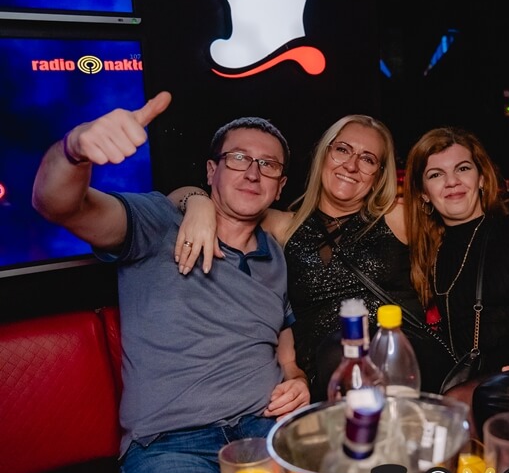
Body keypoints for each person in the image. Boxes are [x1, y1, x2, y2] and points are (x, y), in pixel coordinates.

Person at [31, 91, 310, 473]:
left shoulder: (276, 255)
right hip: (172, 443)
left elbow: (283, 342)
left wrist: (296, 377)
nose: (253, 173)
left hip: (264, 429)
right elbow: (57, 204)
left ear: (279, 187)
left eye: (268, 165)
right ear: (212, 171)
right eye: (238, 158)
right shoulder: (159, 222)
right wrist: (74, 149)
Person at [175, 115, 454, 399]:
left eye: (368, 159)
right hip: (327, 378)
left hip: (402, 360)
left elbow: (466, 225)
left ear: (379, 176)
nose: (352, 165)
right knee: (340, 353)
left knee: (353, 351)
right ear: (324, 155)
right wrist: (198, 204)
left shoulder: (397, 217)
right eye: (342, 150)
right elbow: (188, 198)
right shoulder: (284, 226)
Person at [402, 127, 509, 412]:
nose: (452, 181)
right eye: (436, 175)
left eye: (462, 168)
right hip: (459, 379)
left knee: (455, 405)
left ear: (482, 178)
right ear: (424, 193)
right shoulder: (429, 252)